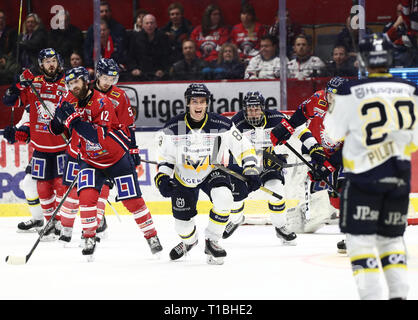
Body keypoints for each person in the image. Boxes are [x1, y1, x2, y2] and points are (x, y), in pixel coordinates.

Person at [323, 33, 417, 300]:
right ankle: (399, 295)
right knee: (392, 242)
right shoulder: (412, 90)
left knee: (360, 244)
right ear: (390, 57)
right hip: (399, 178)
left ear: (362, 59)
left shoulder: (349, 92)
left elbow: (331, 134)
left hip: (363, 180)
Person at [51, 66, 162, 260]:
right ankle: (89, 238)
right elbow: (54, 129)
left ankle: (152, 236)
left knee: (132, 201)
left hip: (116, 158)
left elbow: (96, 137)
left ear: (86, 81)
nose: (72, 86)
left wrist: (73, 120)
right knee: (86, 196)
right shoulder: (68, 99)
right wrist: (59, 119)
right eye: (69, 83)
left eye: (76, 82)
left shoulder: (103, 102)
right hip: (90, 160)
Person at [154, 83, 260, 265]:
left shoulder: (221, 124)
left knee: (225, 197)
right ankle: (190, 241)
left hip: (212, 170)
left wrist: (251, 168)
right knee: (183, 227)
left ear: (207, 104)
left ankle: (212, 241)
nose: (198, 106)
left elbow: (244, 147)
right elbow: (166, 159)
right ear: (187, 103)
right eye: (194, 101)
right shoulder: (173, 126)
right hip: (183, 176)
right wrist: (162, 178)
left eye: (202, 101)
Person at [224, 91, 308, 244]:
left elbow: (300, 128)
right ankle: (236, 219)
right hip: (243, 166)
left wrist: (312, 146)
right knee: (236, 199)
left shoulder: (276, 118)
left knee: (277, 192)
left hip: (268, 164)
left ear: (263, 108)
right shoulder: (236, 123)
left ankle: (280, 227)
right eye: (250, 109)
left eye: (256, 109)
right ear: (245, 110)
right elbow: (223, 143)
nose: (253, 113)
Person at [269, 77, 348, 238]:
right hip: (319, 150)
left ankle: (355, 226)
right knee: (316, 187)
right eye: (329, 95)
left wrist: (330, 165)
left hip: (344, 155)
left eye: (336, 97)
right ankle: (310, 212)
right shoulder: (319, 99)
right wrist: (288, 127)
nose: (331, 99)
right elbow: (302, 113)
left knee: (342, 192)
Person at [2, 48, 67, 239]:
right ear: (41, 65)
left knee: (66, 187)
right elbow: (14, 104)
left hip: (63, 147)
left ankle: (93, 219)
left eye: (53, 60)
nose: (51, 64)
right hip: (41, 149)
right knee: (33, 185)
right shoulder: (34, 85)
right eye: (47, 61)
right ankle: (44, 221)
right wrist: (17, 85)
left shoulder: (68, 84)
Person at [2, 106, 43, 233]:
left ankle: (97, 218)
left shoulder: (62, 97)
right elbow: (24, 127)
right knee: (29, 183)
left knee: (74, 187)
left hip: (63, 150)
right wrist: (14, 134)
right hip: (42, 151)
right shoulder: (31, 106)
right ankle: (38, 219)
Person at [84, 1, 127, 76]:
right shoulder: (91, 29)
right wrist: (90, 67)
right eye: (101, 11)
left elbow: (124, 50)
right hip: (95, 69)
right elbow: (87, 51)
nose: (104, 13)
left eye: (106, 11)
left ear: (110, 12)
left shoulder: (119, 29)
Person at [127, 14, 171, 81]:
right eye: (147, 23)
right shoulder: (135, 38)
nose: (149, 25)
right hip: (140, 74)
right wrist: (134, 69)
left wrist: (163, 70)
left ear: (156, 25)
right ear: (143, 25)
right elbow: (130, 56)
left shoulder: (163, 37)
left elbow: (167, 56)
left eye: (151, 23)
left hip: (158, 74)